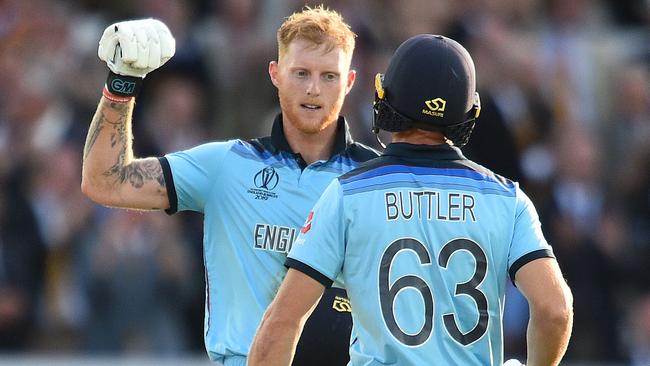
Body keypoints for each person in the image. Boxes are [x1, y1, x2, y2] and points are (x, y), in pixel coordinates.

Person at [249, 35, 574, 366]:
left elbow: (282, 322)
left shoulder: (347, 193)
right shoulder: (508, 198)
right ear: (469, 111)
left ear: (384, 99)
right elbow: (555, 311)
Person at [81, 6, 379, 365]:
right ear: (276, 74)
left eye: (329, 76)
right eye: (301, 73)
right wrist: (121, 84)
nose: (313, 89)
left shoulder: (376, 178)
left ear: (349, 82)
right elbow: (105, 182)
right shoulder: (228, 165)